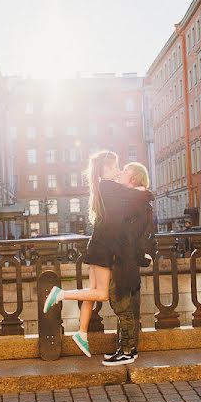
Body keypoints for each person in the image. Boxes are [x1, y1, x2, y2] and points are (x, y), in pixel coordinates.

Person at [42, 150, 126, 357]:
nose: (117, 170)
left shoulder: (101, 187)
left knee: (92, 291)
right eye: (114, 166)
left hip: (97, 244)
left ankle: (81, 333)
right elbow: (134, 197)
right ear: (105, 168)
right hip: (103, 247)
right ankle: (60, 294)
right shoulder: (110, 186)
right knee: (102, 293)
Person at [102, 162, 154, 366]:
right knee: (126, 305)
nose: (121, 174)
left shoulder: (136, 202)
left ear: (133, 179)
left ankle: (127, 350)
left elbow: (135, 233)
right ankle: (125, 348)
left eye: (124, 171)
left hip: (126, 259)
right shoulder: (137, 199)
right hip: (127, 259)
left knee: (123, 305)